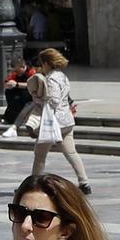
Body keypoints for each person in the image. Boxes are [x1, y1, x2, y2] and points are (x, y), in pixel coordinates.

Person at [27, 48, 90, 192]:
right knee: (71, 152)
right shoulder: (62, 76)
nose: (41, 67)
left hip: (53, 123)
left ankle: (33, 184)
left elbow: (53, 100)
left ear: (47, 63)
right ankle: (84, 182)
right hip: (66, 121)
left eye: (42, 64)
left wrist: (37, 99)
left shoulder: (51, 78)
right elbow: (66, 97)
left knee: (40, 154)